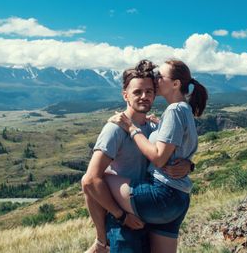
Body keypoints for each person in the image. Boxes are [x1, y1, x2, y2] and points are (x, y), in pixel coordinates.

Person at [82, 60, 192, 253]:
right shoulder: (115, 130)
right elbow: (90, 180)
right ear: (125, 95)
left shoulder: (152, 128)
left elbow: (170, 152)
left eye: (149, 91)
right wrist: (121, 217)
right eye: (137, 92)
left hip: (147, 210)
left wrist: (189, 165)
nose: (144, 97)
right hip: (123, 220)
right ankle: (101, 245)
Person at [105, 59, 208, 253]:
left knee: (99, 178)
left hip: (162, 195)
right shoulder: (184, 110)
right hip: (180, 198)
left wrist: (131, 127)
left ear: (176, 84)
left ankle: (100, 242)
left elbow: (159, 158)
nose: (155, 79)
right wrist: (159, 125)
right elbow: (179, 145)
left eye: (160, 76)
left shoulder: (174, 110)